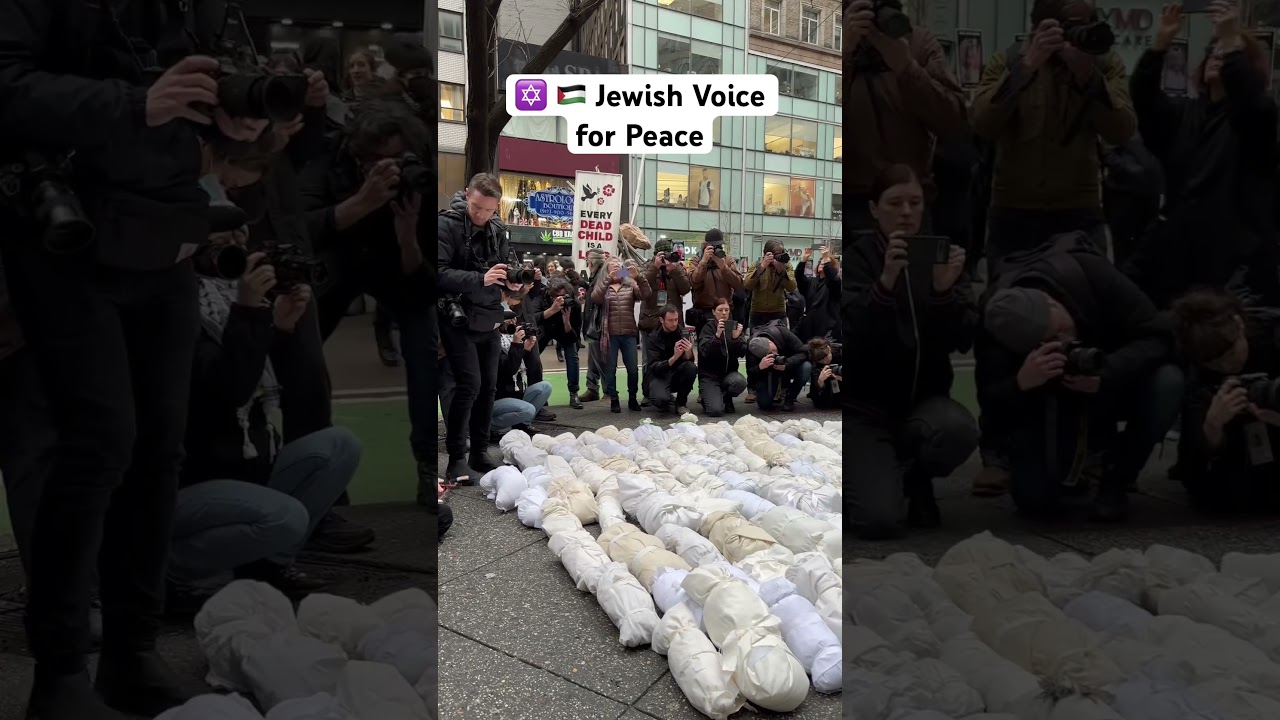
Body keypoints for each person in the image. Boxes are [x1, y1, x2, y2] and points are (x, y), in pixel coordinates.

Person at [0, 0, 279, 714]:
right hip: (64, 225)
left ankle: (132, 652)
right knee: (98, 447)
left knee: (158, 453)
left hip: (164, 226)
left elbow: (193, 81)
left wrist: (231, 117)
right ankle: (61, 672)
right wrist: (135, 103)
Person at [171, 237, 370, 611]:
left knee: (340, 445)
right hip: (188, 484)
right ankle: (169, 573)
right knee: (285, 518)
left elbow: (288, 391)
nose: (237, 246)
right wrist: (248, 312)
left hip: (244, 471)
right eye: (224, 243)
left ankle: (268, 567)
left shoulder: (241, 307)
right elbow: (229, 390)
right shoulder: (177, 310)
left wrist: (282, 329)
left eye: (239, 236)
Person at [976, 234, 1184, 522]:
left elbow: (1159, 335)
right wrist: (1020, 384)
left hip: (1113, 378)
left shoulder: (1092, 274)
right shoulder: (997, 322)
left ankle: (1118, 475)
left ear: (1052, 302)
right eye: (1050, 342)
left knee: (1168, 381)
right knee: (1035, 501)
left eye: (1061, 330)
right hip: (1044, 400)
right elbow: (989, 405)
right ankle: (1068, 465)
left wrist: (1107, 371)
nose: (1064, 341)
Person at [300, 98, 437, 496]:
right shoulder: (329, 161)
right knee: (301, 352)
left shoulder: (420, 177)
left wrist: (408, 237)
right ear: (360, 155)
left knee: (425, 345)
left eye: (401, 158)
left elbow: (424, 282)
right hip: (337, 260)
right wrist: (362, 202)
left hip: (392, 265)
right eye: (380, 159)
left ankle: (428, 464)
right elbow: (301, 229)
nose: (391, 168)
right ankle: (318, 473)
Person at [846, 164, 979, 539]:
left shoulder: (942, 258)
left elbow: (963, 336)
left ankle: (916, 478)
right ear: (874, 209)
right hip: (864, 411)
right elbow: (853, 338)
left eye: (915, 202)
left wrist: (943, 293)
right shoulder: (857, 260)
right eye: (895, 203)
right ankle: (873, 474)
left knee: (957, 430)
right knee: (878, 521)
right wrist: (885, 284)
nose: (906, 212)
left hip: (923, 405)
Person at [1126, 1, 1280, 307]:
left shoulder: (1257, 119)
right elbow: (1144, 97)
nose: (1217, 56)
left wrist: (1231, 39)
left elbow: (1250, 103)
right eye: (1213, 51)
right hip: (1178, 257)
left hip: (1234, 265)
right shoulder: (1184, 114)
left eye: (1229, 54)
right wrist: (1159, 46)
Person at [970, 0, 1137, 263]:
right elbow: (982, 123)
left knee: (1083, 287)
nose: (1077, 32)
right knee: (1010, 288)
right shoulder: (1009, 60)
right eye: (1070, 25)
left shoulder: (1104, 64)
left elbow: (1122, 130)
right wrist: (1026, 67)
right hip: (1014, 210)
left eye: (1086, 23)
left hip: (1078, 210)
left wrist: (1088, 76)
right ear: (1041, 26)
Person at [847, 0, 968, 234]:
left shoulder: (918, 42)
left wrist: (906, 67)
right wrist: (844, 53)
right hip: (849, 196)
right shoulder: (836, 36)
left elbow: (955, 121)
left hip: (908, 198)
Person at [438, 173, 527, 482]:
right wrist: (480, 278)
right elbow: (437, 272)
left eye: (489, 210)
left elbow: (501, 271)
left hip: (489, 317)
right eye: (476, 207)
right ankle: (456, 459)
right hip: (457, 317)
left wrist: (511, 282)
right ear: (467, 195)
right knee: (469, 385)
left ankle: (479, 452)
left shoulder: (497, 229)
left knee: (488, 387)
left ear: (497, 206)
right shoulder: (445, 224)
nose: (481, 215)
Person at [1172, 289, 1280, 511]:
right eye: (1214, 363)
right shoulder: (1198, 379)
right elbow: (1195, 482)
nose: (1227, 366)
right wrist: (1212, 429)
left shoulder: (1274, 336)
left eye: (1230, 354)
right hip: (1240, 454)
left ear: (1239, 325)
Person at [591, 256, 652, 413]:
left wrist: (638, 276)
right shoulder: (603, 284)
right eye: (612, 265)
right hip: (609, 335)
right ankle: (614, 399)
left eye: (618, 265)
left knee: (632, 369)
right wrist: (608, 279)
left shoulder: (630, 284)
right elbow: (595, 298)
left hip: (629, 333)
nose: (616, 267)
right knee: (610, 369)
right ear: (607, 269)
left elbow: (646, 294)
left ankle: (632, 398)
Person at [638, 239, 691, 405]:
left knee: (676, 356)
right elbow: (640, 287)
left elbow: (686, 289)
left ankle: (668, 388)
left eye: (668, 254)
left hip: (672, 322)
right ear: (655, 254)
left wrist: (674, 270)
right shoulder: (647, 266)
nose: (665, 258)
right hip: (651, 320)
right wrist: (655, 267)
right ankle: (648, 391)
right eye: (662, 254)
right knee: (648, 360)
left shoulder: (677, 267)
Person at [493, 309, 554, 437]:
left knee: (545, 387)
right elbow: (508, 370)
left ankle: (521, 425)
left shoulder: (514, 341)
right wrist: (515, 345)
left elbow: (529, 369)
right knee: (528, 409)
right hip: (496, 398)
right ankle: (489, 427)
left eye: (513, 321)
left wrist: (527, 350)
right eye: (507, 323)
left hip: (515, 395)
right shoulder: (493, 342)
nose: (511, 326)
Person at [536, 278, 584, 409]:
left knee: (572, 357)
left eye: (564, 296)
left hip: (564, 331)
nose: (560, 300)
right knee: (533, 358)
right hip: (545, 329)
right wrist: (551, 310)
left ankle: (574, 392)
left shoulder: (574, 304)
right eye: (556, 296)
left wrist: (566, 321)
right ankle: (538, 394)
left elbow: (574, 336)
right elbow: (533, 318)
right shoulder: (542, 299)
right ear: (550, 295)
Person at [696, 297, 748, 416]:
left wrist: (736, 339)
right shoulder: (707, 328)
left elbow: (742, 352)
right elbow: (705, 352)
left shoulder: (734, 327)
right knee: (715, 411)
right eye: (720, 310)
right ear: (713, 312)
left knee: (740, 382)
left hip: (728, 374)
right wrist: (717, 336)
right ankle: (707, 397)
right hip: (710, 376)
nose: (724, 313)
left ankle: (726, 398)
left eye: (726, 310)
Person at [644, 306, 698, 414]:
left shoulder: (682, 332)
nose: (674, 324)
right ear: (661, 320)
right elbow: (655, 367)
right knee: (661, 401)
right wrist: (675, 357)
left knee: (691, 367)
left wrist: (689, 351)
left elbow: (689, 360)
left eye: (676, 320)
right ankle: (665, 397)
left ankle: (681, 403)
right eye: (670, 320)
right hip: (658, 375)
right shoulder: (653, 337)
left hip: (676, 373)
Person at [688, 229, 745, 332]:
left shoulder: (728, 260)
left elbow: (739, 284)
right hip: (704, 310)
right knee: (705, 340)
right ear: (706, 245)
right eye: (713, 246)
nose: (716, 249)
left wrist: (723, 267)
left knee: (726, 339)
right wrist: (704, 262)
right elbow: (694, 282)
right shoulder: (697, 260)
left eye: (719, 246)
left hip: (724, 310)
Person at [745, 324, 811, 412]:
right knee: (765, 404)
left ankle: (790, 396)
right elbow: (750, 374)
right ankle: (775, 392)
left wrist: (787, 363)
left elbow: (804, 352)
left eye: (773, 350)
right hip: (767, 374)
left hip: (790, 366)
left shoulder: (782, 333)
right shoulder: (752, 348)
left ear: (770, 342)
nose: (774, 354)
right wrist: (760, 367)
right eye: (769, 354)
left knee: (806, 367)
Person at [744, 240, 798, 329]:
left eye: (781, 253)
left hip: (778, 312)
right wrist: (762, 267)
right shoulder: (756, 265)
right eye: (776, 254)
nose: (778, 256)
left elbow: (792, 287)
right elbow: (747, 285)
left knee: (779, 337)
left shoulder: (786, 266)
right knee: (757, 337)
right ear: (766, 253)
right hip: (758, 312)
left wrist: (781, 271)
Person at [579, 248, 609, 402]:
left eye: (588, 261)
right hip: (594, 322)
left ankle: (608, 391)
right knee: (593, 359)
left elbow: (629, 274)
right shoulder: (596, 275)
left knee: (601, 359)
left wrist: (619, 269)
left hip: (601, 324)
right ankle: (592, 389)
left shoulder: (606, 273)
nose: (587, 264)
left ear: (592, 262)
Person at [795, 245, 841, 341]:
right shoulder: (811, 282)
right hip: (809, 327)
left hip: (826, 328)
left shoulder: (834, 284)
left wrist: (827, 258)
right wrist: (804, 261)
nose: (822, 263)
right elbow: (799, 277)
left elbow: (833, 279)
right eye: (820, 262)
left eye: (825, 263)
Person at [807, 338, 844, 410]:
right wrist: (820, 382)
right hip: (829, 388)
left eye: (826, 357)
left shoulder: (840, 351)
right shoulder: (816, 365)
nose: (825, 361)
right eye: (821, 360)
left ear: (829, 348)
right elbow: (817, 402)